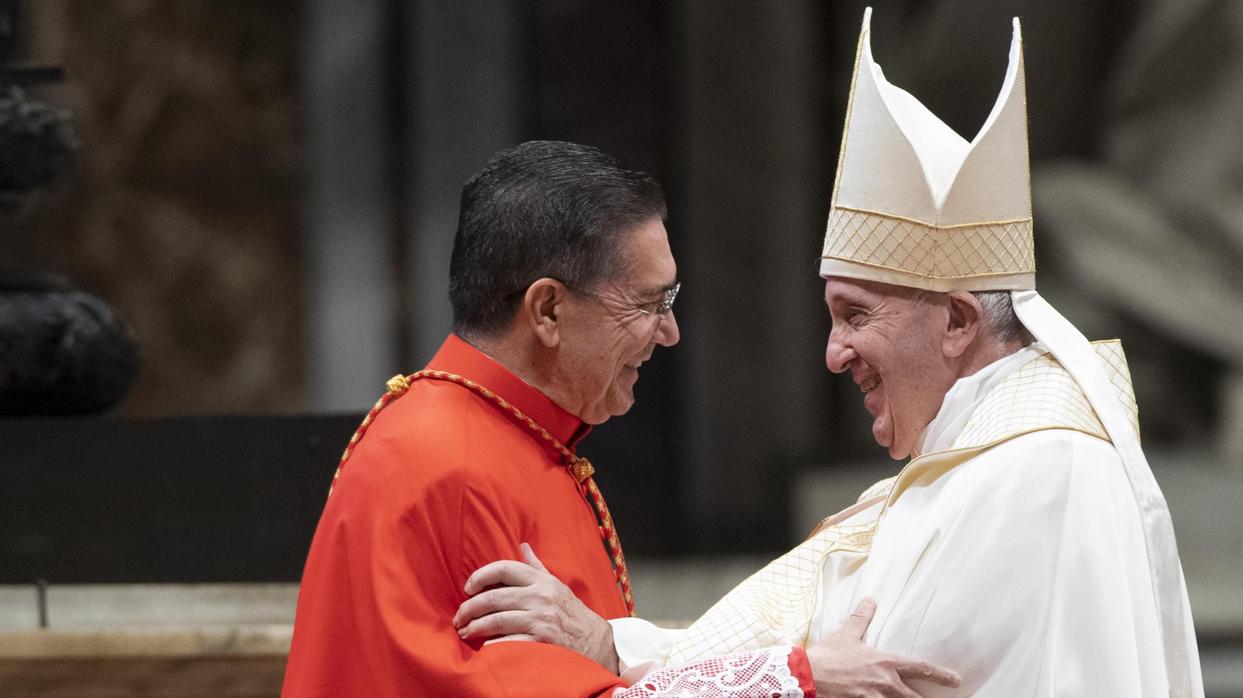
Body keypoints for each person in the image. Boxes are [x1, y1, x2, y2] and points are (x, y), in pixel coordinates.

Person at [456, 10, 1204, 697]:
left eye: (855, 315)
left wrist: (630, 657)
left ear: (954, 320)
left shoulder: (1034, 475)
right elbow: (804, 646)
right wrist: (610, 644)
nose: (833, 354)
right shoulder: (971, 469)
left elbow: (869, 679)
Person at [282, 140, 959, 697]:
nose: (669, 334)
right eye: (648, 304)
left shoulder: (500, 432)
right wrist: (795, 679)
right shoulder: (449, 467)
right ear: (547, 311)